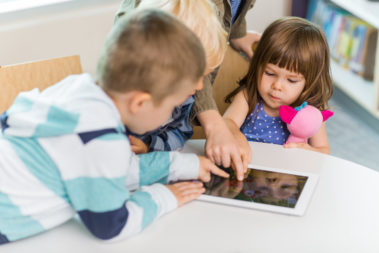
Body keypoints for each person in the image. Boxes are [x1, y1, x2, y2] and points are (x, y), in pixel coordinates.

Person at [0, 9, 229, 244]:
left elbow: (116, 168)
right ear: (140, 103)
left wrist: (184, 165)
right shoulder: (99, 139)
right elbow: (112, 225)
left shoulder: (79, 92)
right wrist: (163, 196)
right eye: (173, 105)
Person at [115, 0, 260, 181]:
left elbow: (177, 135)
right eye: (194, 76)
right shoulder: (111, 118)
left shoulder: (183, 102)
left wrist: (150, 146)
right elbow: (117, 180)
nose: (200, 87)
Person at [224, 17, 333, 154]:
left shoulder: (311, 111)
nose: (277, 86)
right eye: (269, 73)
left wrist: (308, 151)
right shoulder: (248, 96)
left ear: (310, 82)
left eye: (292, 80)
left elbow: (323, 151)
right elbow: (227, 122)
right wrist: (236, 135)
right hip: (247, 166)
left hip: (284, 172)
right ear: (257, 66)